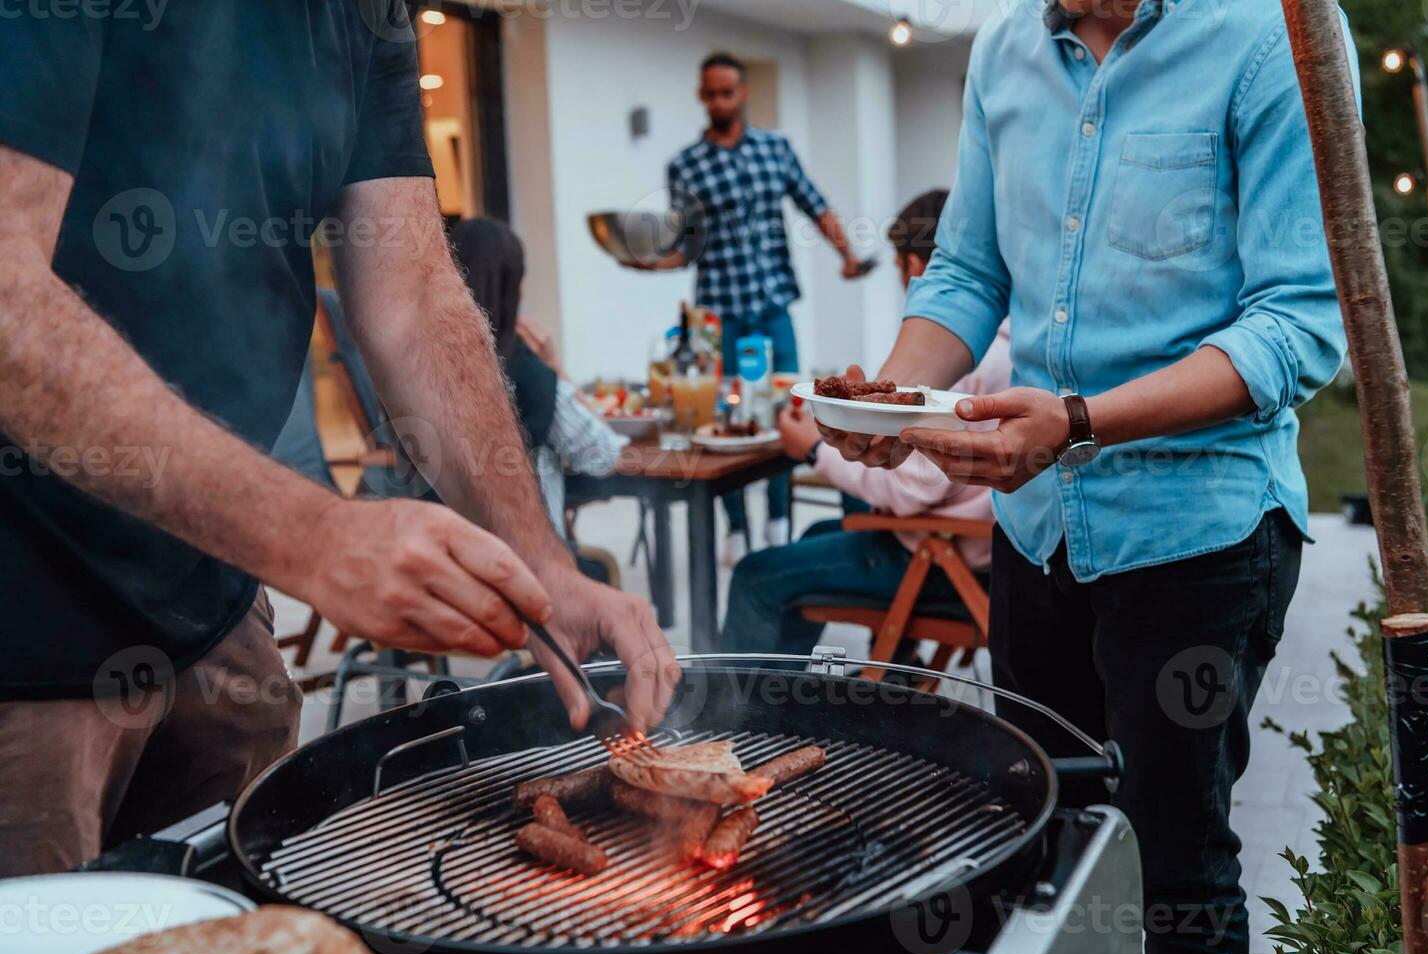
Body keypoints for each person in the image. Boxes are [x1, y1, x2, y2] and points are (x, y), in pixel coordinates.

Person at [0, 2, 677, 878]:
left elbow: (416, 297)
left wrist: (544, 564)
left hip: (211, 606)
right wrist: (312, 536)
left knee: (242, 934)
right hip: (22, 639)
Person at [818, 1, 1355, 954]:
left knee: (1172, 865)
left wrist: (1078, 422)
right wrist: (895, 401)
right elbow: (967, 270)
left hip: (1198, 535)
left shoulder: (1269, 35)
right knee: (1034, 835)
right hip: (1036, 537)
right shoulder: (1002, 46)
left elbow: (1297, 323)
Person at [722, 190, 1011, 658]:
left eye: (902, 273)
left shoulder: (965, 362)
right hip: (975, 551)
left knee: (755, 575)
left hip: (944, 558)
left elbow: (917, 489)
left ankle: (743, 719)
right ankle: (886, 671)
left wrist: (814, 451)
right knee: (820, 534)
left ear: (917, 269)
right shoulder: (1009, 342)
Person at [626, 52, 865, 563]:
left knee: (783, 411)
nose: (719, 101)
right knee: (724, 419)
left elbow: (813, 203)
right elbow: (686, 245)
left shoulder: (775, 150)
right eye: (710, 93)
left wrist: (847, 253)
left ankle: (778, 523)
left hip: (773, 306)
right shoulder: (685, 165)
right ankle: (735, 528)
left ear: (743, 92)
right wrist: (649, 265)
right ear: (701, 96)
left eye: (726, 92)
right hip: (718, 315)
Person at [451, 218, 629, 557]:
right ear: (511, 290)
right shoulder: (531, 378)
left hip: (449, 569)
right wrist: (555, 366)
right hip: (533, 573)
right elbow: (605, 455)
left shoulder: (417, 369)